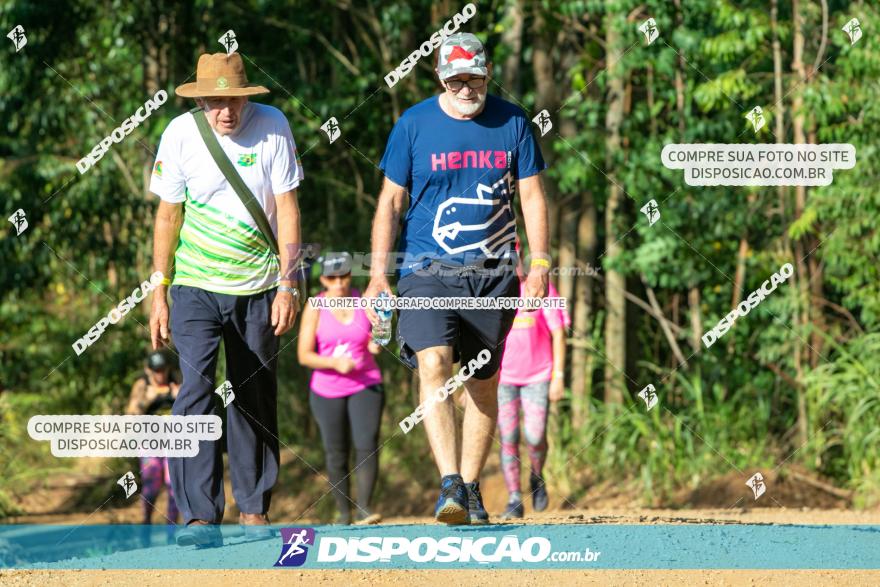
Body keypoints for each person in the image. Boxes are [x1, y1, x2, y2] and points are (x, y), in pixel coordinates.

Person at [364, 32, 551, 525]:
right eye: (456, 79)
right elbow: (390, 202)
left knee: (484, 385)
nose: (467, 88)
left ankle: (468, 489)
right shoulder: (413, 125)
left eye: (475, 78)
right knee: (435, 366)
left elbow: (531, 197)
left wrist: (540, 264)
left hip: (493, 277)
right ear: (440, 78)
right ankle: (448, 480)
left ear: (488, 74)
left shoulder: (513, 122)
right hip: (427, 271)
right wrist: (379, 276)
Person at [149, 52, 304, 547]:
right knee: (194, 392)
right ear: (201, 99)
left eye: (234, 100)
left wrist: (288, 283)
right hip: (194, 285)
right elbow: (168, 217)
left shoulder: (274, 126)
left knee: (252, 394)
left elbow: (288, 209)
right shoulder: (179, 134)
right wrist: (158, 290)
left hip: (258, 286)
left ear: (246, 97)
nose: (226, 112)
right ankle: (199, 515)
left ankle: (254, 507)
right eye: (216, 101)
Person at [297, 253, 384, 525]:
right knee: (336, 452)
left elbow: (375, 341)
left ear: (350, 276)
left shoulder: (365, 301)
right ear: (323, 279)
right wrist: (335, 362)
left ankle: (365, 509)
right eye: (332, 277)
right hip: (326, 389)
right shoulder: (315, 306)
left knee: (366, 445)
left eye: (343, 276)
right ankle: (344, 513)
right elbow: (304, 355)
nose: (338, 283)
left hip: (365, 383)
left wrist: (378, 341)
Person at [497, 242, 569, 518]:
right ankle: (514, 497)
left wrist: (558, 376)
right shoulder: (493, 297)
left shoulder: (542, 290)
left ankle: (537, 476)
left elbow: (559, 333)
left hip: (539, 376)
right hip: (503, 379)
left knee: (535, 436)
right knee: (509, 437)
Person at [126, 350, 181, 525]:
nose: (160, 374)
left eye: (163, 369)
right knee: (151, 486)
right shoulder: (142, 385)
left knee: (173, 485)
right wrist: (146, 400)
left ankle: (171, 529)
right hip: (150, 443)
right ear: (149, 370)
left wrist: (180, 397)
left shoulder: (176, 381)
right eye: (156, 370)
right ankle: (146, 521)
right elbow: (131, 415)